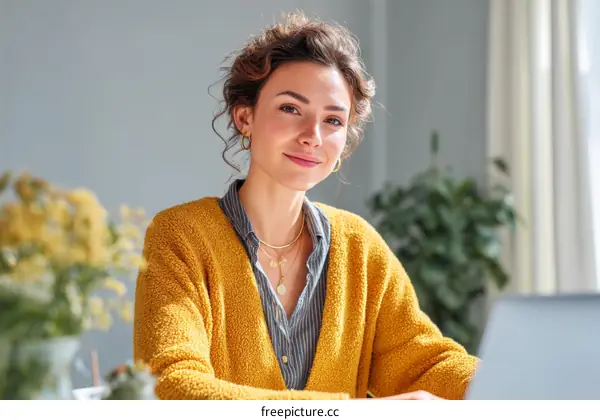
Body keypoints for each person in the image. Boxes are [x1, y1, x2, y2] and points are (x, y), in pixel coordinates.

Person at [133, 11, 479, 400]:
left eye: (333, 120)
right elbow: (173, 386)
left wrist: (515, 381)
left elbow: (424, 363)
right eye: (291, 109)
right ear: (245, 116)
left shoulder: (359, 247)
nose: (313, 136)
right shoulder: (180, 235)